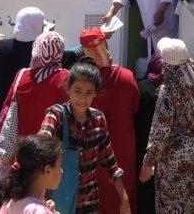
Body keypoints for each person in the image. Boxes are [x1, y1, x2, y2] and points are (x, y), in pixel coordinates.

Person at [39, 59, 131, 214]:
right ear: (67, 89)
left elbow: (110, 164)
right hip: (55, 205)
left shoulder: (99, 120)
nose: (82, 99)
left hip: (89, 204)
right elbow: (43, 138)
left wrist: (124, 199)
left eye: (89, 93)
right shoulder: (56, 115)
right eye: (77, 91)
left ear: (96, 93)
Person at [0, 6, 54, 213]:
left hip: (8, 122)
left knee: (8, 174)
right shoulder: (40, 52)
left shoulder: (3, 49)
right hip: (34, 125)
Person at [139, 38, 194, 213]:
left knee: (171, 205)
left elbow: (160, 130)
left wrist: (148, 163)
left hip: (174, 159)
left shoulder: (169, 90)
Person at [79, 27, 139, 214]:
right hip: (123, 148)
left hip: (94, 149)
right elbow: (135, 106)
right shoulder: (126, 76)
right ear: (105, 45)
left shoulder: (82, 82)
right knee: (122, 197)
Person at [0, 31, 68, 167]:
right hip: (50, 152)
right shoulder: (64, 78)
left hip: (22, 151)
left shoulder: (22, 74)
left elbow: (7, 107)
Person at [0, 135, 63, 214]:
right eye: (60, 166)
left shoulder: (11, 202)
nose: (62, 171)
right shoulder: (37, 210)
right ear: (48, 170)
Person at [134, 53, 162, 214]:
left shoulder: (139, 87)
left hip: (140, 143)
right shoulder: (168, 90)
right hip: (162, 148)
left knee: (143, 190)